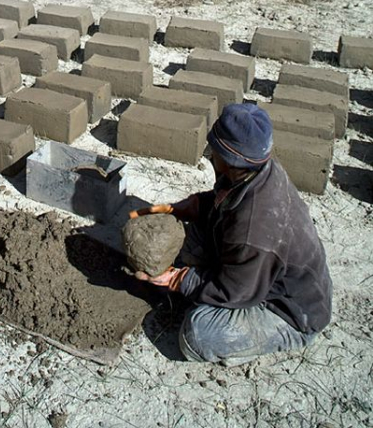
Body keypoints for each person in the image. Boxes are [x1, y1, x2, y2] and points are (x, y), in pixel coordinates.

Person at [134, 103, 332, 365]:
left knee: (198, 333)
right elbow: (225, 200)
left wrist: (179, 280)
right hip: (256, 272)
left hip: (287, 310)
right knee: (190, 239)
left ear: (230, 161)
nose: (208, 154)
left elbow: (232, 292)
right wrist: (192, 206)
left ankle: (279, 337)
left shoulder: (255, 231)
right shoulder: (257, 170)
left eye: (213, 151)